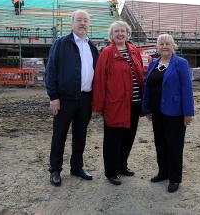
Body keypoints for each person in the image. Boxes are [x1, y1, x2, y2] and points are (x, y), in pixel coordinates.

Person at [45, 10, 99, 186]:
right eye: (79, 20)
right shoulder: (61, 43)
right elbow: (51, 70)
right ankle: (55, 170)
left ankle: (76, 167)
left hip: (85, 99)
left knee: (80, 135)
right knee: (59, 135)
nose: (82, 23)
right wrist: (53, 97)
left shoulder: (92, 46)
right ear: (72, 23)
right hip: (64, 99)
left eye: (85, 20)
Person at [92, 20, 144, 185]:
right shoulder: (107, 53)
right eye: (116, 32)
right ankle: (111, 172)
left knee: (128, 138)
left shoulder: (134, 51)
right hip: (115, 104)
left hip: (134, 104)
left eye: (123, 31)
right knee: (113, 140)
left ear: (127, 33)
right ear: (111, 35)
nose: (120, 34)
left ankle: (122, 166)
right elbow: (99, 80)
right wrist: (99, 105)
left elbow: (141, 74)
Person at [142, 34, 194, 193]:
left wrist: (188, 113)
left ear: (173, 46)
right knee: (160, 143)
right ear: (157, 47)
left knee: (174, 146)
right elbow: (148, 87)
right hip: (157, 111)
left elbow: (187, 89)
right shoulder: (154, 63)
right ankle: (163, 172)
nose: (164, 46)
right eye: (161, 44)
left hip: (175, 113)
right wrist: (147, 108)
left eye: (168, 44)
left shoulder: (181, 63)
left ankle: (174, 178)